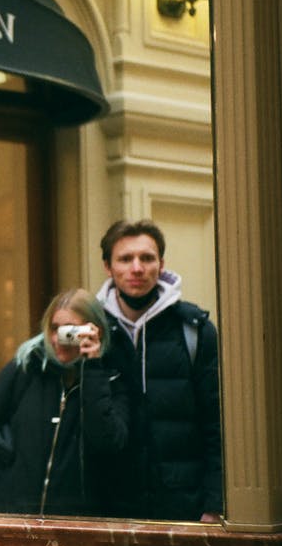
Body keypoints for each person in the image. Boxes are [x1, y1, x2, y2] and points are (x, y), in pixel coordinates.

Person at [95, 219, 223, 522]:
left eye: (147, 258)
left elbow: (216, 423)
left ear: (161, 264)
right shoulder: (93, 328)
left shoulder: (194, 330)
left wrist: (215, 502)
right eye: (125, 259)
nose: (137, 268)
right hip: (110, 506)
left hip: (184, 506)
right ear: (108, 267)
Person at [0, 288, 129, 516]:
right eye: (54, 328)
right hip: (16, 517)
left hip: (78, 524)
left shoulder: (110, 377)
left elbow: (106, 442)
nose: (58, 338)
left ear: (93, 330)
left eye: (70, 330)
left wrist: (93, 369)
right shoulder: (27, 367)